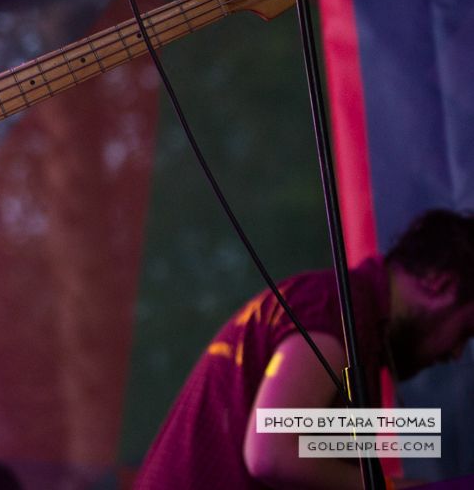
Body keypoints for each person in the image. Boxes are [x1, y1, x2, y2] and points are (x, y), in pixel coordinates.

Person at [134, 209, 474, 490]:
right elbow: (272, 453)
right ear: (440, 285)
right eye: (466, 330)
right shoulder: (338, 307)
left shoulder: (348, 319)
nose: (458, 352)